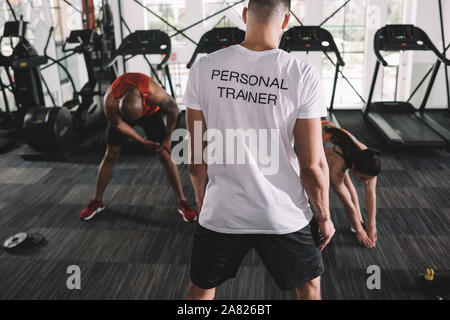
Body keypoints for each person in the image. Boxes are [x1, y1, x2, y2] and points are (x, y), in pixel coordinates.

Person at [184, 0, 335, 300]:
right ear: (286, 21)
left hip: (222, 210)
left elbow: (195, 158)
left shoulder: (203, 68)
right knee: (310, 287)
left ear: (244, 15)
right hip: (281, 214)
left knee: (201, 289)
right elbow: (313, 166)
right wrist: (324, 216)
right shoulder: (301, 74)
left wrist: (204, 201)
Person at [80, 73, 197, 222]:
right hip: (121, 118)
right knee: (111, 153)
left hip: (150, 115)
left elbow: (173, 110)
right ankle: (97, 202)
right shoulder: (110, 100)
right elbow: (118, 124)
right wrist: (142, 140)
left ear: (143, 100)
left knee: (165, 155)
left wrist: (168, 139)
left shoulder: (155, 93)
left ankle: (183, 202)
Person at [322, 121, 381, 248]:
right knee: (343, 180)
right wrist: (359, 230)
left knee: (347, 179)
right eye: (363, 178)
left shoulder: (369, 156)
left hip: (337, 140)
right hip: (319, 134)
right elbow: (347, 203)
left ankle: (359, 221)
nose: (366, 182)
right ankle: (358, 223)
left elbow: (370, 194)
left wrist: (372, 225)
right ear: (353, 167)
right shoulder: (336, 167)